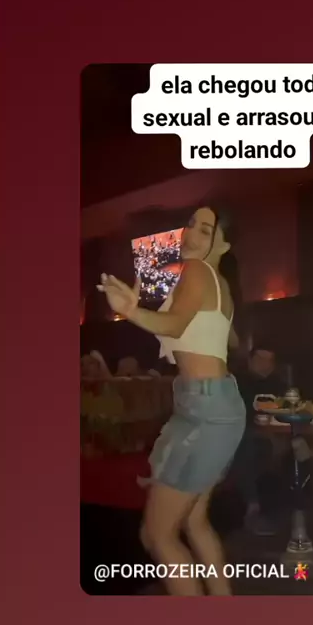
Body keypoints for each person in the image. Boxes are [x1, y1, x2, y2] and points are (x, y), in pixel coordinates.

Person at [97, 206, 245, 596]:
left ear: (224, 245)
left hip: (204, 409)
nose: (191, 234)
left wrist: (131, 310)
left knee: (157, 535)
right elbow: (228, 341)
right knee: (194, 523)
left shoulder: (197, 271)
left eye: (206, 230)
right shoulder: (220, 284)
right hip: (218, 406)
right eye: (191, 224)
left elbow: (176, 325)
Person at [232, 347, 286, 535]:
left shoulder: (280, 385)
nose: (266, 364)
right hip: (245, 435)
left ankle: (297, 510)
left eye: (270, 360)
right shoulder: (237, 383)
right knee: (248, 448)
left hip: (278, 433)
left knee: (300, 448)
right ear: (250, 361)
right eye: (261, 359)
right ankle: (253, 509)